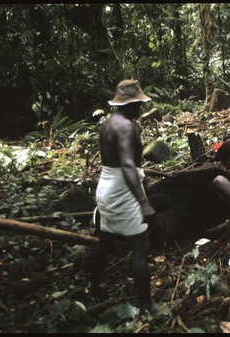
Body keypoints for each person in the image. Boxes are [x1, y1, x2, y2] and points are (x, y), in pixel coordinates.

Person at [90, 79, 157, 316]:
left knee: (105, 241)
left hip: (105, 186)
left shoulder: (108, 123)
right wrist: (143, 202)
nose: (141, 107)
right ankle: (147, 305)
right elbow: (128, 166)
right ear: (133, 104)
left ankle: (94, 288)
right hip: (121, 190)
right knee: (140, 246)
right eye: (139, 103)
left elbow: (117, 162)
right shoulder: (127, 127)